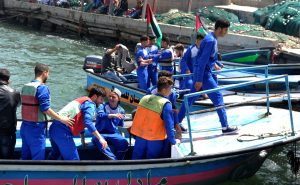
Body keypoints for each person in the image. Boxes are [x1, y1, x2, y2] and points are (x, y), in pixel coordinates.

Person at [179, 19, 238, 135]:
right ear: (220, 29)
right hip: (204, 75)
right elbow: (202, 61)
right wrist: (200, 79)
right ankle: (225, 127)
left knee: (190, 98)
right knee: (218, 96)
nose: (226, 32)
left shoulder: (211, 38)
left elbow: (207, 58)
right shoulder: (211, 41)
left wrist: (215, 64)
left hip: (202, 72)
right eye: (225, 30)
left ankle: (177, 121)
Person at [20, 63, 74, 160]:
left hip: (25, 127)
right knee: (38, 158)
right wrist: (61, 119)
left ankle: (23, 175)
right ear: (45, 72)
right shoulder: (42, 88)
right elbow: (45, 109)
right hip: (36, 129)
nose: (48, 76)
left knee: (25, 157)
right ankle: (36, 175)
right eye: (48, 73)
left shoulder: (25, 86)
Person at [48, 86, 108, 160]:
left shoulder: (83, 100)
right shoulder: (90, 104)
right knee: (74, 160)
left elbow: (81, 121)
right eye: (101, 99)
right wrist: (100, 138)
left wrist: (82, 140)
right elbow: (88, 122)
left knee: (55, 154)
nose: (102, 102)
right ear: (95, 96)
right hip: (62, 131)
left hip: (54, 128)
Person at [131, 76, 180, 159]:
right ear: (164, 90)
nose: (171, 91)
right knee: (152, 161)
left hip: (139, 136)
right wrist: (173, 141)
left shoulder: (144, 98)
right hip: (154, 139)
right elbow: (169, 125)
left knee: (135, 159)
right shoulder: (165, 104)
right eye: (170, 88)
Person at [93, 88, 128, 160]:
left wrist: (123, 137)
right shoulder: (102, 106)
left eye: (114, 97)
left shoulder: (121, 111)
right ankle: (113, 160)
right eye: (110, 96)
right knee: (101, 142)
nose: (111, 98)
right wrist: (113, 115)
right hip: (100, 133)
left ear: (119, 98)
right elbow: (101, 115)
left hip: (113, 134)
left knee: (124, 143)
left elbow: (120, 126)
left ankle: (119, 160)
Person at [147, 70, 182, 139]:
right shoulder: (150, 91)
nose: (171, 83)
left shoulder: (172, 93)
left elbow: (173, 109)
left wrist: (177, 124)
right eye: (168, 80)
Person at [0, 69, 21, 159]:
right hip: (7, 130)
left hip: (6, 130)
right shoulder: (15, 93)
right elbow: (18, 104)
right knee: (6, 158)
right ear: (8, 80)